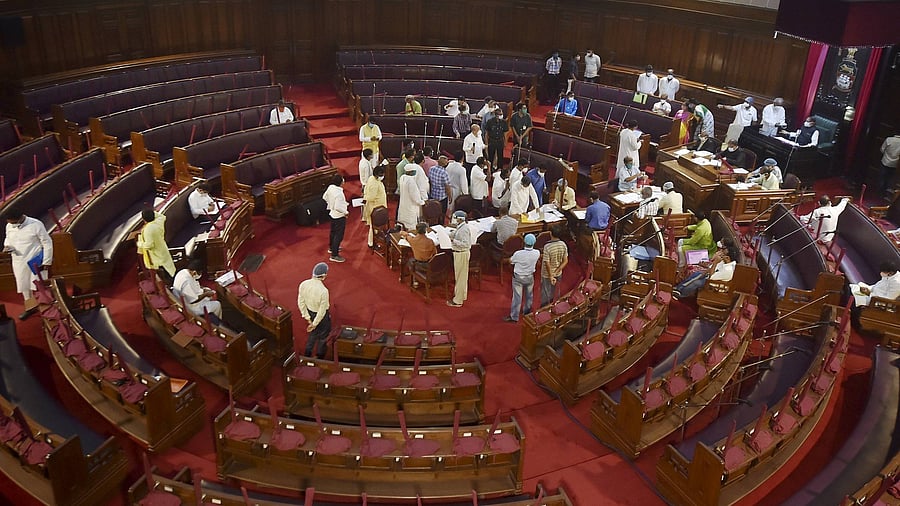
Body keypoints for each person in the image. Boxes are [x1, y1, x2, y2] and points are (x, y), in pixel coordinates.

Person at [3, 208, 52, 320]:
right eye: (9, 222)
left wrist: (47, 261)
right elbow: (8, 238)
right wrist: (7, 246)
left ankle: (45, 307)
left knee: (38, 284)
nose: (11, 224)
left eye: (13, 222)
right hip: (18, 260)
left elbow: (47, 242)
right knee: (23, 284)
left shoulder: (36, 224)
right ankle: (30, 308)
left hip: (34, 259)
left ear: (20, 218)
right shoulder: (9, 225)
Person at [673, 244, 738, 299]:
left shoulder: (728, 269)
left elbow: (711, 277)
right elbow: (710, 268)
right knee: (696, 274)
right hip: (711, 277)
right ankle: (678, 288)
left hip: (715, 285)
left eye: (723, 254)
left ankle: (682, 294)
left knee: (697, 282)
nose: (721, 254)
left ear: (728, 258)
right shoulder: (724, 261)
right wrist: (702, 274)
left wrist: (715, 262)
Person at [297, 262, 331, 358]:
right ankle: (320, 357)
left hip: (310, 313)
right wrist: (315, 323)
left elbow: (301, 302)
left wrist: (308, 318)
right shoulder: (324, 291)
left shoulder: (303, 284)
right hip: (321, 317)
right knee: (323, 337)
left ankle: (307, 354)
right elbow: (322, 311)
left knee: (313, 333)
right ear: (324, 276)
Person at [506, 233, 540, 322]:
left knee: (517, 297)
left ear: (524, 242)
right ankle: (527, 312)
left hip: (518, 277)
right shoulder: (537, 253)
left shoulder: (518, 254)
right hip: (529, 277)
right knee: (529, 295)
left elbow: (510, 261)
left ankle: (514, 317)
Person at [136, 208, 176, 282]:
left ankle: (168, 284)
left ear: (143, 219)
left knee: (163, 273)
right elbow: (162, 216)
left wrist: (139, 243)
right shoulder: (158, 221)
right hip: (163, 248)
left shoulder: (148, 229)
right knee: (169, 269)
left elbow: (149, 245)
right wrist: (150, 213)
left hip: (156, 255)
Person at [447, 211, 474, 308]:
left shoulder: (464, 230)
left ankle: (458, 301)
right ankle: (462, 295)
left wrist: (453, 240)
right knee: (461, 277)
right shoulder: (461, 226)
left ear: (460, 219)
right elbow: (456, 233)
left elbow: (466, 244)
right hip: (460, 253)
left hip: (461, 254)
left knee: (460, 278)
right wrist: (449, 234)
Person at [322, 174, 349, 263]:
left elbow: (324, 197)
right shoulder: (339, 194)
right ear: (341, 183)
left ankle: (332, 247)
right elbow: (338, 207)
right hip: (339, 216)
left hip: (332, 214)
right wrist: (345, 212)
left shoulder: (330, 187)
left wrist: (330, 204)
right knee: (338, 235)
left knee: (333, 232)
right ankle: (334, 255)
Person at [540, 224, 568, 306]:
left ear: (551, 233)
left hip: (547, 274)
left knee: (545, 293)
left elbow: (547, 263)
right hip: (558, 273)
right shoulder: (563, 244)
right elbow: (565, 261)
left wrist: (551, 275)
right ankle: (556, 306)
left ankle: (545, 309)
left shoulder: (547, 246)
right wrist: (558, 270)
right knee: (556, 291)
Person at [362, 165, 387, 247]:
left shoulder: (371, 178)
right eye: (381, 175)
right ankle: (371, 243)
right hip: (375, 208)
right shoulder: (374, 184)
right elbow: (371, 197)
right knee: (373, 227)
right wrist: (365, 198)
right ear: (376, 174)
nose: (382, 176)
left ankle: (373, 240)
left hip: (377, 206)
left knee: (375, 227)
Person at [398, 164, 425, 230]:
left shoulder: (402, 177)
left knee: (403, 223)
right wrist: (422, 202)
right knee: (411, 227)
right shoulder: (411, 181)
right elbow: (415, 196)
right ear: (410, 172)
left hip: (403, 204)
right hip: (411, 206)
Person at [880, 133, 900, 198]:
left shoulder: (889, 139)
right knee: (890, 179)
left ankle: (880, 193)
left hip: (885, 161)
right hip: (895, 164)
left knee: (882, 177)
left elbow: (882, 149)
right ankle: (887, 194)